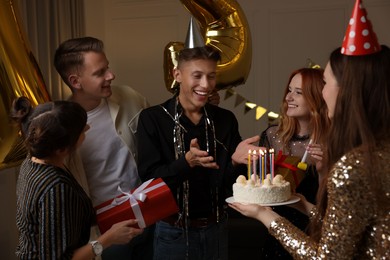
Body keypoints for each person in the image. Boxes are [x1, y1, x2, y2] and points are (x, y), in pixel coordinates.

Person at [229, 14, 390, 259]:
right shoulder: (380, 151)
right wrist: (302, 204)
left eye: (325, 82)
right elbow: (348, 231)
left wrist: (264, 215)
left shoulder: (353, 165)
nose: (324, 91)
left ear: (347, 91)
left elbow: (328, 256)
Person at [136, 45, 261, 259]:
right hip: (172, 233)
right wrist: (186, 163)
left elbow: (228, 186)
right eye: (197, 76)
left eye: (211, 76)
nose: (206, 85)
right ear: (178, 75)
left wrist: (234, 162)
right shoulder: (153, 119)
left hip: (217, 229)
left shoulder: (225, 120)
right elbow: (149, 182)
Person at [53, 36, 152, 260]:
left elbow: (160, 132)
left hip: (151, 218)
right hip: (108, 234)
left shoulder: (129, 96)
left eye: (107, 68)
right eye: (100, 73)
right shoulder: (63, 128)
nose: (111, 76)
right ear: (75, 81)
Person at [11, 97, 143, 259]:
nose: (87, 128)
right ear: (62, 149)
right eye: (82, 130)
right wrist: (108, 239)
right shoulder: (55, 188)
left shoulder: (32, 161)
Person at [252, 67, 329, 258]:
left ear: (316, 98)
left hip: (315, 234)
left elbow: (332, 207)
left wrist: (322, 171)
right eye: (289, 90)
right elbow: (261, 188)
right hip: (276, 229)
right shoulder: (273, 136)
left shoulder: (331, 142)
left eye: (298, 92)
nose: (288, 97)